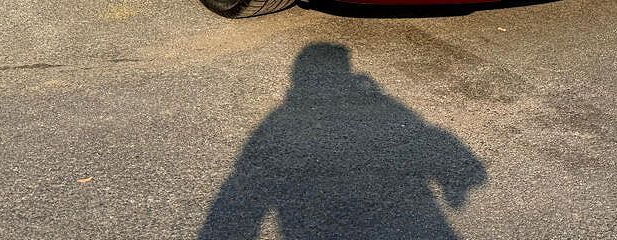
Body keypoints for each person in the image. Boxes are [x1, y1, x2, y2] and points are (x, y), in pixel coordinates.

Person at [200, 42, 486, 240]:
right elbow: (443, 146)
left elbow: (242, 188)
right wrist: (454, 187)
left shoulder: (278, 120)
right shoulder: (385, 106)